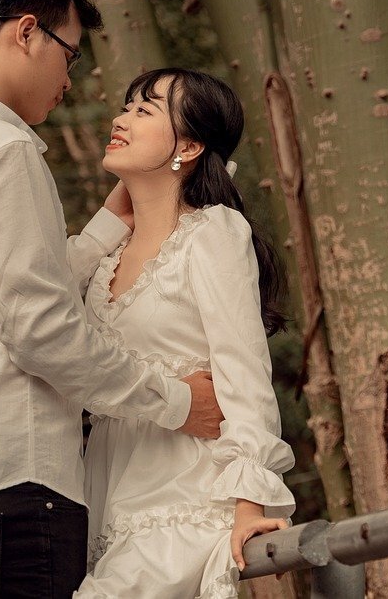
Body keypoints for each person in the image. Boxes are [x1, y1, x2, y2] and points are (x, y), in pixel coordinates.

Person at [0, 0, 223, 599]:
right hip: (13, 501)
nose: (72, 80)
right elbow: (43, 334)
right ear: (26, 33)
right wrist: (179, 402)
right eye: (70, 55)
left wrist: (104, 226)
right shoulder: (5, 152)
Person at [76, 68, 295, 598]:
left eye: (144, 109)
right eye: (126, 106)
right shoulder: (101, 261)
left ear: (190, 144)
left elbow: (244, 375)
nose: (121, 119)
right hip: (103, 498)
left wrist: (249, 505)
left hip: (185, 497)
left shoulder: (213, 233)